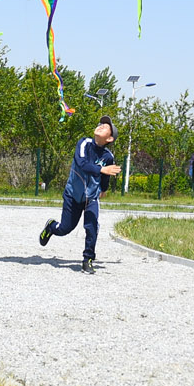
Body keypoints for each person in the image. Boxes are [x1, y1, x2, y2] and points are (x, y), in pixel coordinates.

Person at [39, 115, 123, 274]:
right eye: (100, 124)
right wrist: (101, 169)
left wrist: (104, 189)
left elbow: (106, 176)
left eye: (105, 127)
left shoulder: (108, 157)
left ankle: (88, 260)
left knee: (91, 227)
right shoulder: (84, 143)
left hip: (91, 198)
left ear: (110, 138)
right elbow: (82, 163)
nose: (100, 126)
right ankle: (51, 227)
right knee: (65, 228)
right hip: (73, 195)